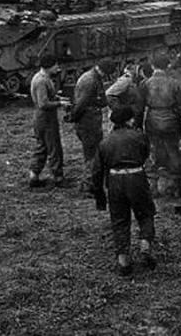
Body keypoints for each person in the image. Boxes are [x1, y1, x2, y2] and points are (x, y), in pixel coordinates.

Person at [90, 106, 156, 276]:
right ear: (129, 120)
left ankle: (123, 261)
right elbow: (145, 155)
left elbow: (96, 171)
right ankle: (145, 245)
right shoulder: (139, 136)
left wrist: (99, 194)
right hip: (136, 178)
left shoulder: (105, 142)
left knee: (119, 220)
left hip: (115, 181)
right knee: (145, 212)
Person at [142, 55, 181, 197]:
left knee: (153, 152)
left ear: (153, 66)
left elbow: (140, 107)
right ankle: (175, 187)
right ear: (167, 66)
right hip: (170, 121)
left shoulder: (146, 83)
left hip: (152, 120)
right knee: (173, 152)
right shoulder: (174, 83)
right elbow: (180, 107)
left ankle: (153, 187)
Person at [70, 59, 116, 190]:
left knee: (93, 153)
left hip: (88, 120)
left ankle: (90, 183)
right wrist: (74, 118)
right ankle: (88, 185)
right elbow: (81, 104)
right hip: (88, 122)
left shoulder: (90, 76)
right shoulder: (91, 81)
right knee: (92, 154)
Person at [29, 54, 69, 187]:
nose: (57, 68)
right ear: (49, 66)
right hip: (46, 118)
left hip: (41, 118)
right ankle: (58, 178)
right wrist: (60, 104)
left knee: (41, 147)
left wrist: (57, 97)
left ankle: (34, 176)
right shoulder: (41, 81)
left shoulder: (41, 77)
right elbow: (43, 103)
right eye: (56, 65)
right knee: (54, 148)